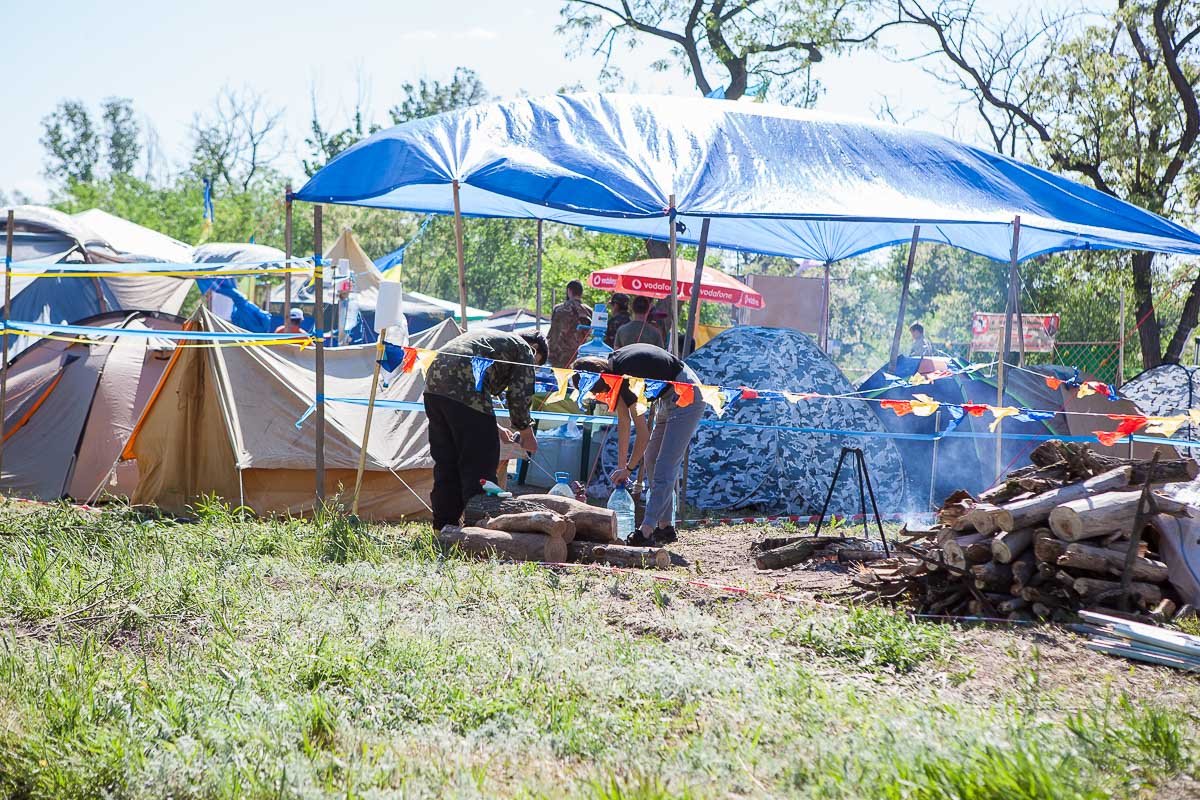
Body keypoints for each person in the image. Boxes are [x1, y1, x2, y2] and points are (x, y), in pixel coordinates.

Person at [573, 343, 704, 546]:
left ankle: (646, 530)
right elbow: (624, 423)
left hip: (687, 396)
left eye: (598, 393)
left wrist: (630, 468)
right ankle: (665, 527)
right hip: (667, 400)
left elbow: (643, 433)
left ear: (601, 380)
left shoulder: (625, 377)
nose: (600, 398)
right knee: (651, 458)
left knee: (664, 467)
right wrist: (621, 468)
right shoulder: (615, 369)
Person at [423, 330, 548, 530]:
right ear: (535, 350)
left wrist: (495, 427)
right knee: (480, 467)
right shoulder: (524, 350)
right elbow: (519, 394)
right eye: (535, 364)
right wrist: (526, 433)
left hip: (434, 388)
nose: (532, 367)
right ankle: (478, 529)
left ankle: (443, 527)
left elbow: (465, 409)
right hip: (466, 388)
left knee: (447, 462)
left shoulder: (492, 338)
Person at [547, 280, 592, 367]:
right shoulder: (588, 311)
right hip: (580, 355)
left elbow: (553, 333)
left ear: (569, 291)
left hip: (559, 355)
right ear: (581, 293)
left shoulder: (559, 309)